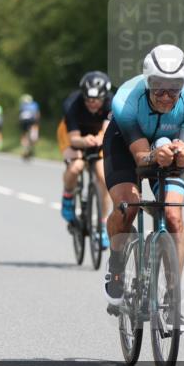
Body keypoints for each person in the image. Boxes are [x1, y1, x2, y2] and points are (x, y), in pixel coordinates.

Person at [102, 44, 184, 330]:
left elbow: (183, 148)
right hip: (125, 145)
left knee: (173, 216)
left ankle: (173, 298)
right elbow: (139, 157)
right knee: (129, 205)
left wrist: (182, 154)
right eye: (157, 87)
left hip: (166, 146)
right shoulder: (125, 101)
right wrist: (154, 156)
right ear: (147, 81)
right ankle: (116, 266)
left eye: (174, 89)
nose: (165, 96)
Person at [58, 72, 113, 248]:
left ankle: (103, 224)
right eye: (88, 100)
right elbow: (73, 139)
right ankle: (67, 196)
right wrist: (84, 141)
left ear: (104, 97)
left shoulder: (112, 103)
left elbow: (106, 131)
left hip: (98, 135)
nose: (92, 103)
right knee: (76, 166)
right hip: (74, 135)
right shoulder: (72, 104)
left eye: (96, 100)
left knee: (103, 177)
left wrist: (98, 138)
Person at [18, 94, 40, 158]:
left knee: (25, 135)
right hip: (32, 122)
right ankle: (29, 148)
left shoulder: (22, 105)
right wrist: (37, 121)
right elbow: (37, 114)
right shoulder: (34, 104)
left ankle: (25, 149)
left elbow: (20, 114)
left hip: (25, 122)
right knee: (33, 136)